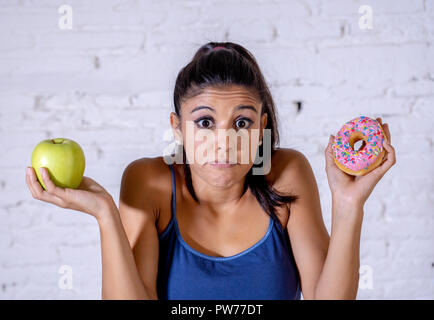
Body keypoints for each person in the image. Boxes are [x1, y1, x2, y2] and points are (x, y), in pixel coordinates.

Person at [25, 41, 396, 300]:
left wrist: (349, 206)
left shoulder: (287, 174)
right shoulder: (148, 183)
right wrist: (106, 215)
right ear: (177, 128)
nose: (224, 142)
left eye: (241, 123)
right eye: (204, 123)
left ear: (262, 128)